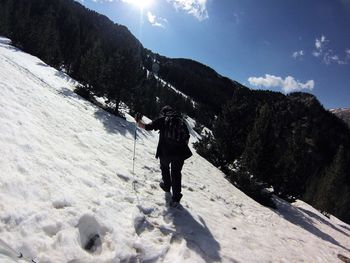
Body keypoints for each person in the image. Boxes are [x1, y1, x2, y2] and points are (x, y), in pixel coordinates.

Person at [135, 106, 192, 207]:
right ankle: (176, 198)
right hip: (180, 154)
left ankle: (166, 185)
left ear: (163, 113)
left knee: (164, 167)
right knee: (176, 174)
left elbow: (146, 127)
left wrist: (138, 120)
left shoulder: (163, 120)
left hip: (166, 152)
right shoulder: (181, 122)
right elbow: (187, 138)